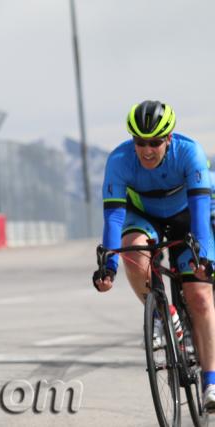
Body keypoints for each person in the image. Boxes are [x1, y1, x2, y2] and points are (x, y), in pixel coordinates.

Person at [92, 100, 215, 410]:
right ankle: (164, 314)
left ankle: (211, 382)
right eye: (140, 142)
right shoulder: (119, 160)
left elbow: (201, 219)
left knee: (199, 296)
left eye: (155, 142)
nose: (147, 150)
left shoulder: (190, 153)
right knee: (131, 250)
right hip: (144, 214)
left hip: (188, 213)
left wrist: (205, 259)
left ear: (169, 139)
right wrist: (108, 266)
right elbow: (114, 218)